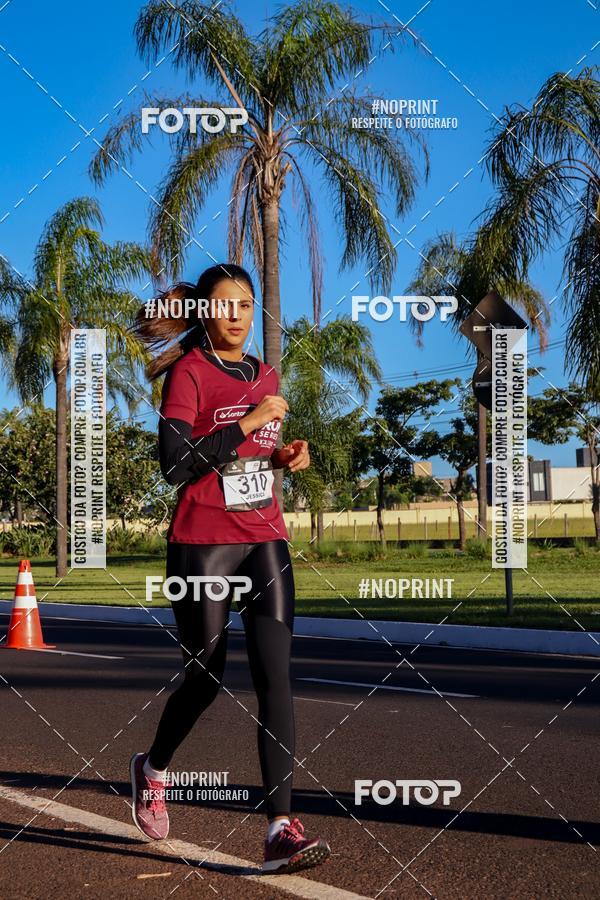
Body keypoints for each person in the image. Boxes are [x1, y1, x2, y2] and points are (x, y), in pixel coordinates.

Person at [128, 263, 331, 874]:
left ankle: (278, 829)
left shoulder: (265, 373)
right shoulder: (189, 374)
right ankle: (154, 767)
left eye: (246, 304)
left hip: (264, 536)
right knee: (207, 674)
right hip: (203, 542)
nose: (237, 314)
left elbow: (257, 457)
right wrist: (245, 422)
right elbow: (175, 464)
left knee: (275, 675)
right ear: (205, 315)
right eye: (225, 305)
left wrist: (286, 455)